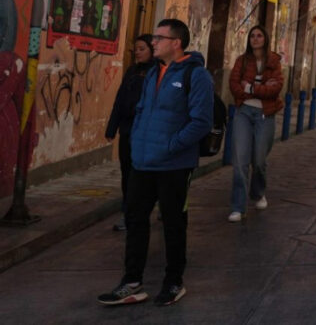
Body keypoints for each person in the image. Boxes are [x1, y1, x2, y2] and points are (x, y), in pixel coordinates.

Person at [98, 19, 213, 307]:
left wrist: (171, 146)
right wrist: (138, 142)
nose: (153, 42)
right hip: (143, 161)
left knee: (173, 223)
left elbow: (201, 122)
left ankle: (174, 281)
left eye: (159, 38)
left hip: (175, 165)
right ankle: (132, 283)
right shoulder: (152, 73)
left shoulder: (196, 75)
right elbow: (141, 110)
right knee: (135, 219)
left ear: (176, 43)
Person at [227, 25, 284, 223]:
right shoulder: (241, 61)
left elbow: (275, 88)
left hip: (265, 114)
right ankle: (238, 207)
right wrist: (259, 88)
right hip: (243, 113)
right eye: (252, 36)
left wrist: (250, 88)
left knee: (259, 160)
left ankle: (258, 193)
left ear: (265, 39)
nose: (255, 39)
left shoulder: (274, 62)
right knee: (240, 161)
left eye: (259, 35)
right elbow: (234, 85)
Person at [105, 34, 155, 231]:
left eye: (142, 49)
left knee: (139, 174)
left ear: (151, 50)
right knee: (126, 172)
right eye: (136, 49)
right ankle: (127, 212)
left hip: (144, 132)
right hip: (127, 129)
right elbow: (120, 99)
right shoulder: (132, 71)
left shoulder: (156, 72)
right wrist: (112, 127)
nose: (138, 52)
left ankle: (135, 213)